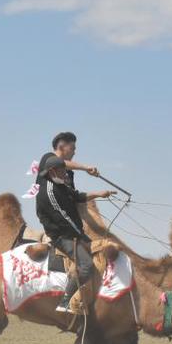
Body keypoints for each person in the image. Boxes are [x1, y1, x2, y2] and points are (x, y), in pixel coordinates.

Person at [34, 132, 115, 313]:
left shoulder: (63, 178)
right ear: (62, 147)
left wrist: (100, 194)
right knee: (86, 265)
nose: (75, 152)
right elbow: (63, 216)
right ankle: (65, 302)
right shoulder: (47, 160)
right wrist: (86, 168)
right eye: (73, 148)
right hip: (61, 231)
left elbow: (76, 196)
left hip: (71, 227)